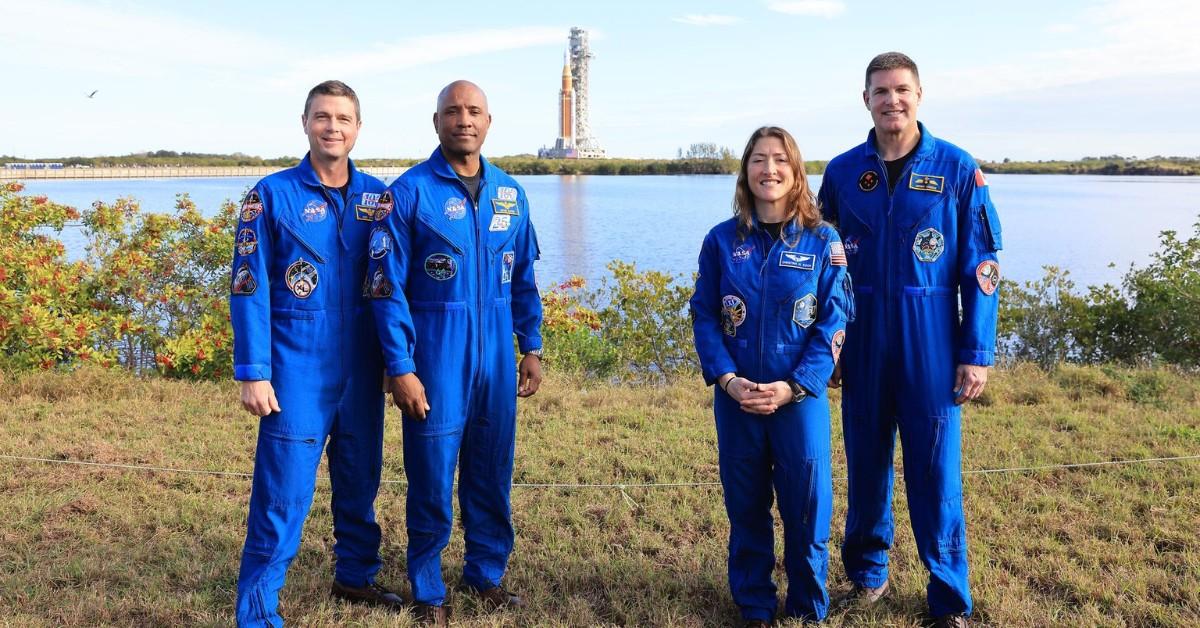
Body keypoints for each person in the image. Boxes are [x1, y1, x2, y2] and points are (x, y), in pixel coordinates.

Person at [817, 52, 1003, 628]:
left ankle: (948, 597)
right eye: (880, 91)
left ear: (919, 95)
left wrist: (975, 353)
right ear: (865, 100)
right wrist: (830, 347)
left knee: (935, 471)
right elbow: (822, 270)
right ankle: (867, 576)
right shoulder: (843, 173)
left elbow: (982, 269)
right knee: (865, 464)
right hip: (863, 337)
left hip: (932, 341)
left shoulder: (956, 168)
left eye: (901, 90)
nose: (891, 100)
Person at [367, 80, 543, 626]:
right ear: (436, 121)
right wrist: (401, 366)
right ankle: (428, 589)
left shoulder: (511, 193)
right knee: (431, 476)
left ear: (488, 121)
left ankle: (485, 575)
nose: (463, 119)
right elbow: (385, 289)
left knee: (492, 471)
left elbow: (523, 278)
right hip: (436, 359)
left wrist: (531, 345)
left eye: (473, 111)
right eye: (452, 111)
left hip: (496, 361)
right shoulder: (409, 193)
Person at [230, 80, 403, 626]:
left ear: (358, 128)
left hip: (362, 367)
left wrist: (395, 360)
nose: (333, 127)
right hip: (296, 366)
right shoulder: (270, 195)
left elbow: (391, 285)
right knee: (282, 495)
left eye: (343, 118)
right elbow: (247, 287)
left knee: (360, 480)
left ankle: (355, 576)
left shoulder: (378, 197)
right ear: (304, 123)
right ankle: (258, 611)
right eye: (322, 117)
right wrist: (253, 371)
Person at [691, 126, 854, 627]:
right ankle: (755, 605)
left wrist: (795, 385)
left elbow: (835, 320)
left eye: (780, 159)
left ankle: (807, 607)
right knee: (746, 507)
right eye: (759, 159)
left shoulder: (823, 240)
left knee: (807, 509)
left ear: (796, 170)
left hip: (798, 398)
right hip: (738, 398)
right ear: (745, 172)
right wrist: (727, 379)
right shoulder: (721, 240)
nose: (769, 169)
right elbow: (704, 315)